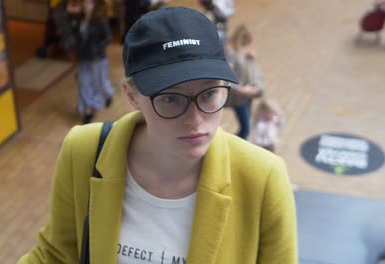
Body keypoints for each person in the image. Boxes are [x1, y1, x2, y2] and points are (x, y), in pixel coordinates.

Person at [17, 7, 297, 263]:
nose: (195, 120)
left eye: (210, 93)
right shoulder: (85, 151)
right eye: (171, 99)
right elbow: (55, 254)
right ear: (132, 96)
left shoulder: (263, 178)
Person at [76, 0, 114, 123]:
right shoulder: (78, 19)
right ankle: (88, 110)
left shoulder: (100, 20)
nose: (85, 6)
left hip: (97, 57)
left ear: (93, 5)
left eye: (88, 3)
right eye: (84, 4)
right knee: (84, 83)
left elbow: (108, 37)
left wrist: (97, 47)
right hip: (83, 57)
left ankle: (107, 94)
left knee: (100, 81)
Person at [225, 24, 264, 139]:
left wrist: (246, 55)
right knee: (246, 129)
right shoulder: (228, 52)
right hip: (238, 97)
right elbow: (225, 78)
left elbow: (238, 61)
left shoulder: (238, 49)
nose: (249, 44)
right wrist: (242, 90)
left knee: (247, 125)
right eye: (248, 40)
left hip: (245, 95)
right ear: (242, 38)